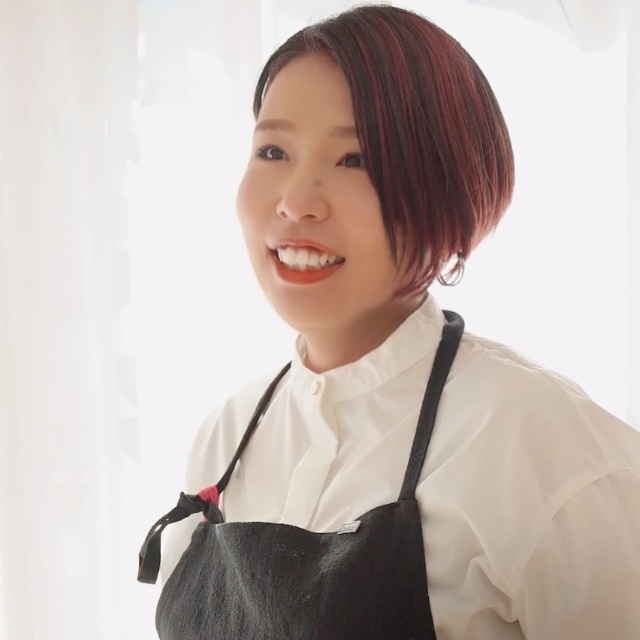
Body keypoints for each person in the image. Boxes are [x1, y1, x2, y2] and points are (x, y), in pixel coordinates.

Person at [137, 4, 640, 639]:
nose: (296, 201)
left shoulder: (544, 452)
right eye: (273, 150)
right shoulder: (225, 437)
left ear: (448, 188)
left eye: (354, 160)